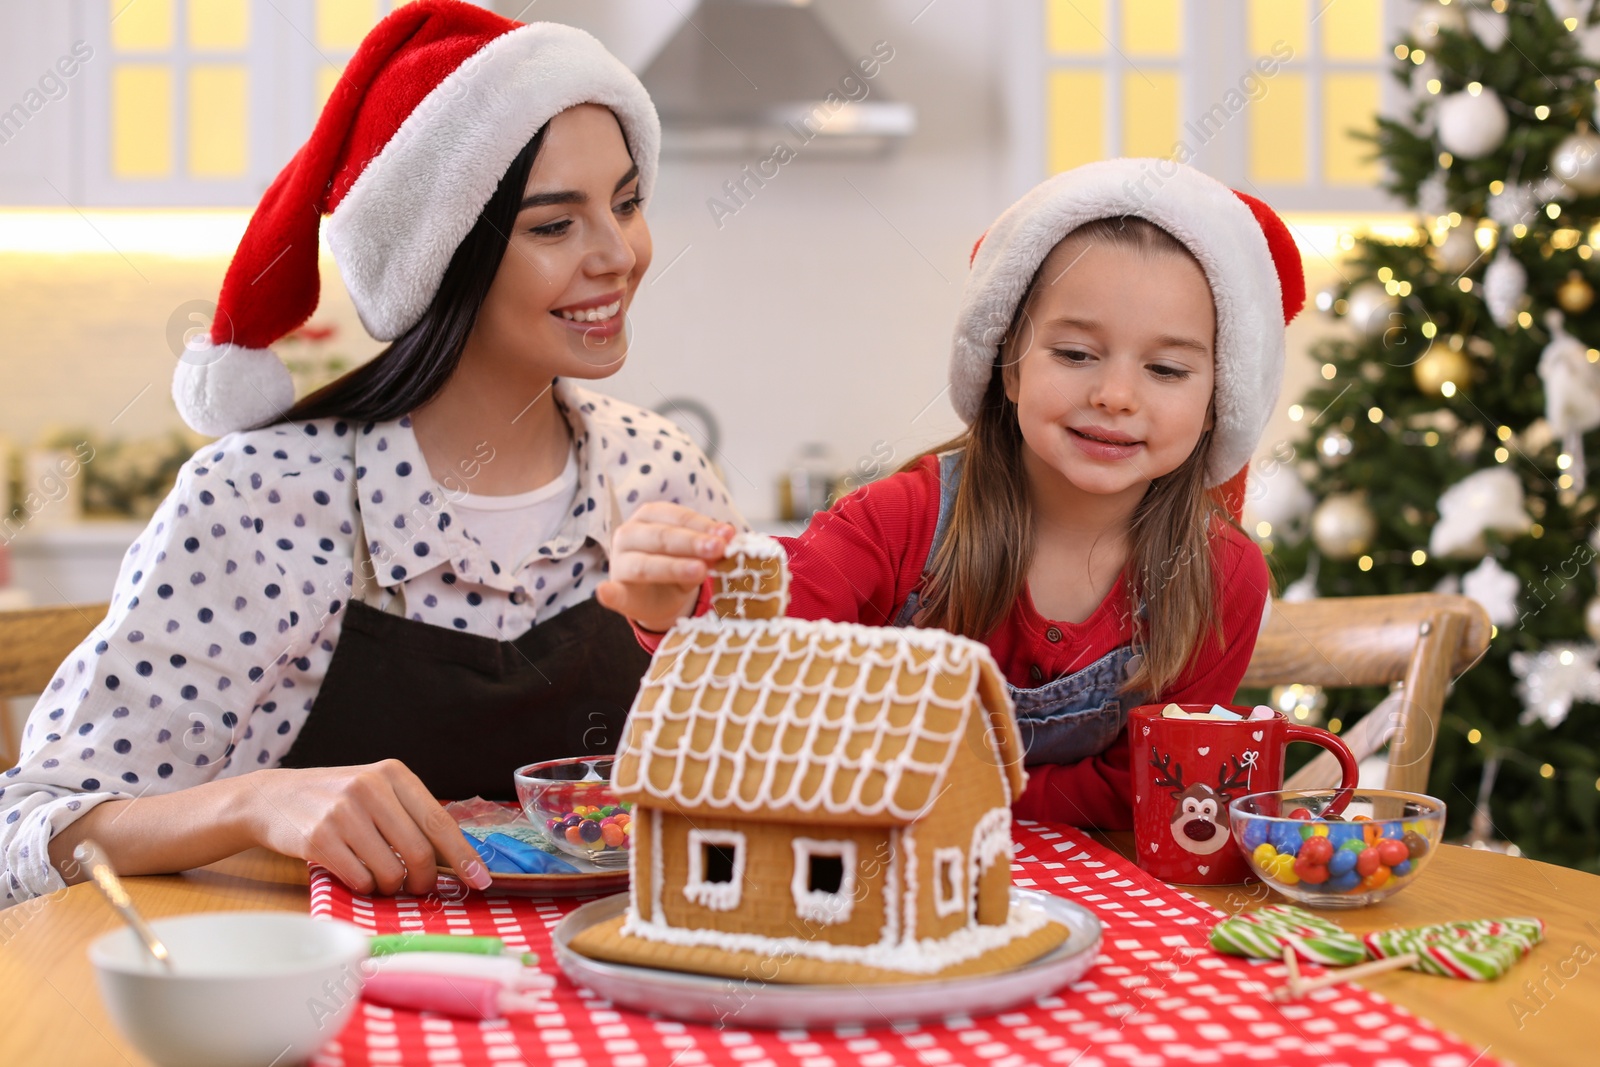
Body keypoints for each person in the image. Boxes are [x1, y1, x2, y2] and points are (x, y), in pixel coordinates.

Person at [0, 1, 741, 907]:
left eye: (626, 203)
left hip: (617, 1013)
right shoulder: (259, 502)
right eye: (555, 226)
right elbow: (23, 835)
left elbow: (761, 788)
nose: (619, 253)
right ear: (442, 256)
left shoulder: (662, 474)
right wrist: (255, 803)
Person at [596, 158, 1304, 830]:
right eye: (1076, 354)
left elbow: (1143, 788)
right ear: (1009, 366)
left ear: (1219, 401)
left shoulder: (1222, 579)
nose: (1115, 395)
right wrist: (680, 607)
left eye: (1167, 368)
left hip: (1100, 915)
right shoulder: (907, 519)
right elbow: (777, 617)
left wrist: (942, 788)